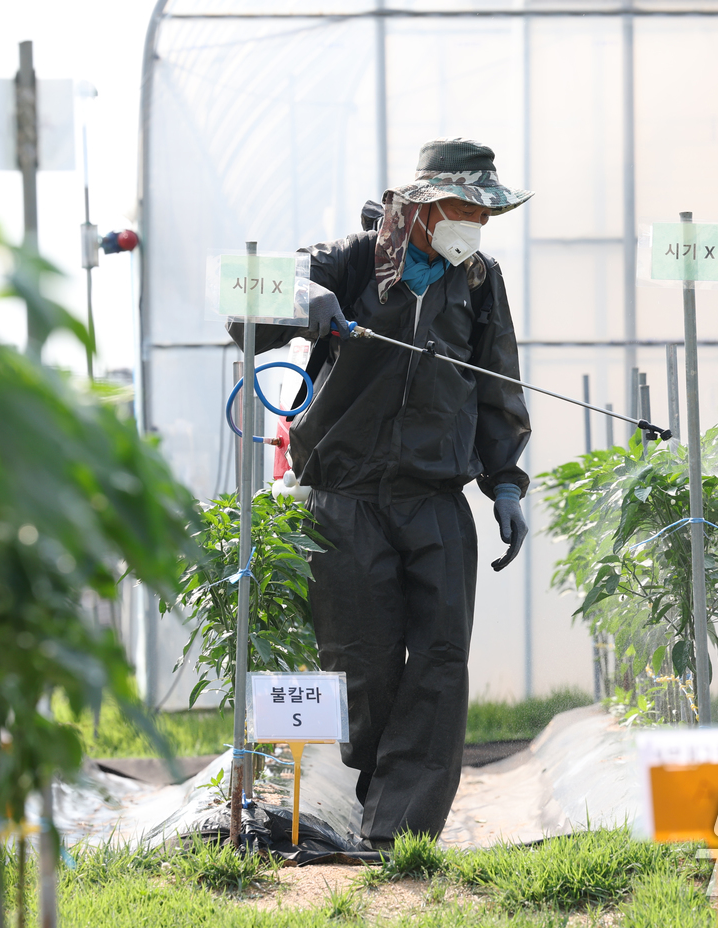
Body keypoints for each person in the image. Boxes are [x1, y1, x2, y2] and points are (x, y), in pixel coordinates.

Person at [227, 137, 532, 846]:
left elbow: (497, 386)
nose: (473, 225)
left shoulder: (479, 281)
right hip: (343, 498)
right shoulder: (355, 259)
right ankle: (376, 792)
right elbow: (246, 304)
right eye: (462, 208)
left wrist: (507, 484)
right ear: (423, 206)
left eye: (483, 214)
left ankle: (402, 832)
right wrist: (306, 299)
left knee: (439, 660)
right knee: (361, 662)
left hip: (434, 499)